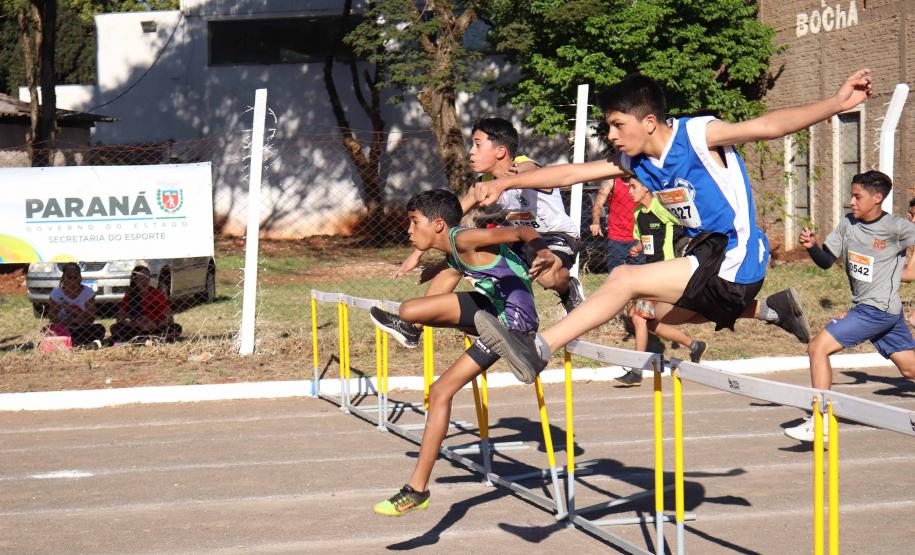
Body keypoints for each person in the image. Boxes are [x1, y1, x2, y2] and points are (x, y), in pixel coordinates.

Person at [469, 69, 873, 385]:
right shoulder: (636, 161)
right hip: (706, 260)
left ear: (648, 121)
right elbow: (570, 173)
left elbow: (769, 126)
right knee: (655, 314)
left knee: (625, 278)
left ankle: (537, 348)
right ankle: (774, 310)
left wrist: (836, 103)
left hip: (735, 255)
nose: (611, 136)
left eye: (616, 125)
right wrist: (507, 180)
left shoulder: (697, 135)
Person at [370, 189, 555, 516]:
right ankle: (417, 490)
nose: (408, 231)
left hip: (512, 322)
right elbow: (448, 263)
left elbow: (522, 231)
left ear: (438, 224)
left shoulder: (466, 238)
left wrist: (542, 253)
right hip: (490, 311)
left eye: (414, 223)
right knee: (437, 386)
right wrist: (425, 262)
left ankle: (519, 351)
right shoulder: (452, 248)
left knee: (412, 313)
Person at [393, 117, 585, 323]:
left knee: (547, 277)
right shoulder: (483, 183)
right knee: (458, 256)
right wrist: (416, 254)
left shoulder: (523, 165)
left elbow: (530, 169)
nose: (471, 151)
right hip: (520, 240)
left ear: (500, 151)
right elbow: (448, 217)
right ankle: (414, 326)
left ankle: (568, 289)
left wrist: (510, 180)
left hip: (556, 235)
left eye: (477, 144)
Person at [785, 171, 915, 442]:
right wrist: (811, 247)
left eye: (858, 196)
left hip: (876, 310)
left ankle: (819, 422)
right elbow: (824, 261)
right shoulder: (848, 224)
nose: (851, 202)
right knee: (910, 370)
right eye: (851, 195)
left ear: (877, 198)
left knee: (817, 347)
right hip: (881, 311)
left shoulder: (896, 228)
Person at [616, 176, 706, 386]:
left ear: (646, 187)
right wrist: (638, 247)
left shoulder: (662, 207)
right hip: (649, 269)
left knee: (638, 318)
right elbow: (644, 238)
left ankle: (637, 370)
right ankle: (693, 345)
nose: (629, 191)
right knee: (649, 323)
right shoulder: (638, 212)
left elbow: (688, 223)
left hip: (666, 270)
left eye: (633, 187)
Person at [110, 265, 182, 343]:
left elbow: (169, 316)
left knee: (176, 328)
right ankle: (153, 339)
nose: (144, 282)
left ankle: (143, 340)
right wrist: (134, 324)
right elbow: (120, 319)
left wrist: (157, 323)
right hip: (137, 328)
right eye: (140, 279)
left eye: (147, 279)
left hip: (155, 327)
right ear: (134, 280)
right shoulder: (130, 296)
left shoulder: (156, 293)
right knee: (115, 328)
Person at [44, 262, 105, 347]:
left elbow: (91, 318)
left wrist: (71, 310)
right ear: (63, 278)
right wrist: (72, 321)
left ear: (80, 278)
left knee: (99, 328)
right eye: (69, 277)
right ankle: (77, 342)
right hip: (64, 328)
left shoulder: (87, 292)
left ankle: (73, 342)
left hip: (82, 328)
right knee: (48, 330)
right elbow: (52, 317)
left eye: (75, 277)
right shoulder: (56, 293)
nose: (72, 280)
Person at [591, 176, 645, 272]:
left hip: (638, 236)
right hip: (617, 236)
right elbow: (598, 204)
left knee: (639, 273)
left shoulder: (641, 179)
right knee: (615, 272)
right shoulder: (612, 181)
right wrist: (596, 222)